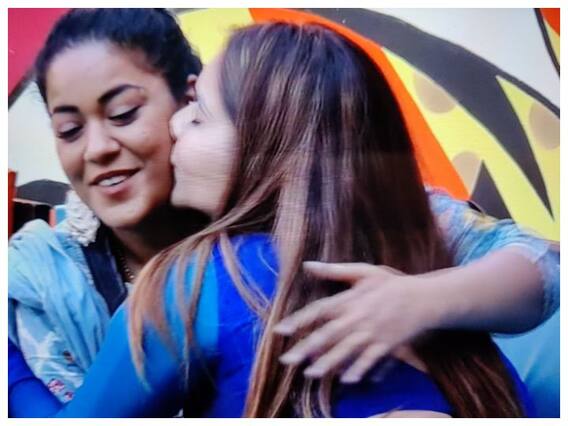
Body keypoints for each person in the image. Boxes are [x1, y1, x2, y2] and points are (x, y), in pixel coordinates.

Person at [9, 21, 552, 417]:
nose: (177, 126)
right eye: (68, 129)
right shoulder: (410, 252)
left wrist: (10, 371)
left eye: (197, 116)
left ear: (272, 147)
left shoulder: (194, 281)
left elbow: (542, 266)